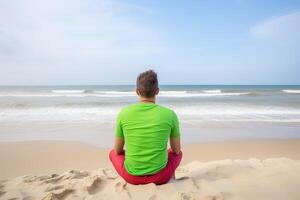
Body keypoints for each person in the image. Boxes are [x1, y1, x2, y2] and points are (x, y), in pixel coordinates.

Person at [109, 69, 182, 185]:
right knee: (176, 154)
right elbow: (176, 150)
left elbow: (118, 150)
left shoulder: (124, 113)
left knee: (112, 153)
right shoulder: (170, 114)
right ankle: (171, 178)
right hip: (160, 177)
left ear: (137, 91)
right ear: (157, 91)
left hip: (132, 178)